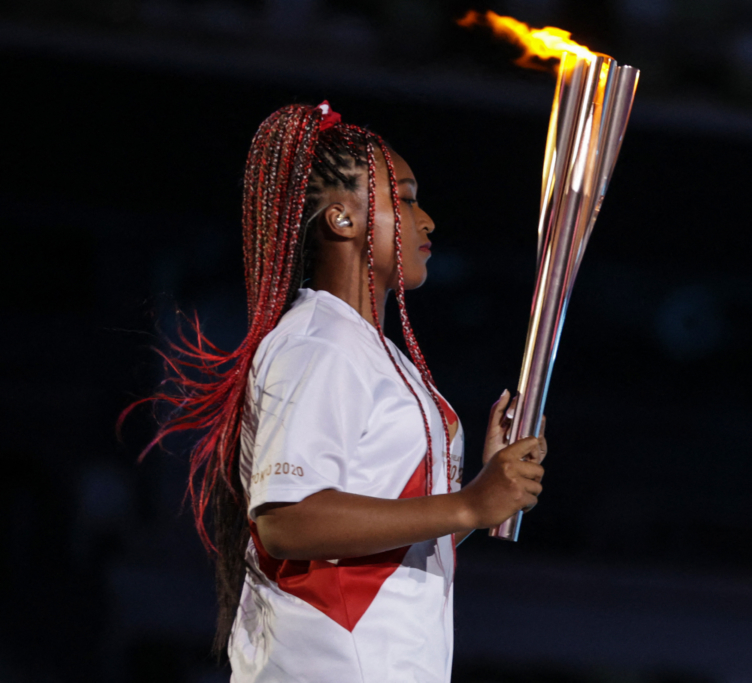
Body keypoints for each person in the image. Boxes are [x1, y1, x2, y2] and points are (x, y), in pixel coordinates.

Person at [125, 102, 547, 682]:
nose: (427, 219)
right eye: (402, 197)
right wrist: (469, 503)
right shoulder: (319, 344)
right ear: (342, 220)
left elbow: (388, 542)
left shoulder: (372, 351)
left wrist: (483, 491)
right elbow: (289, 519)